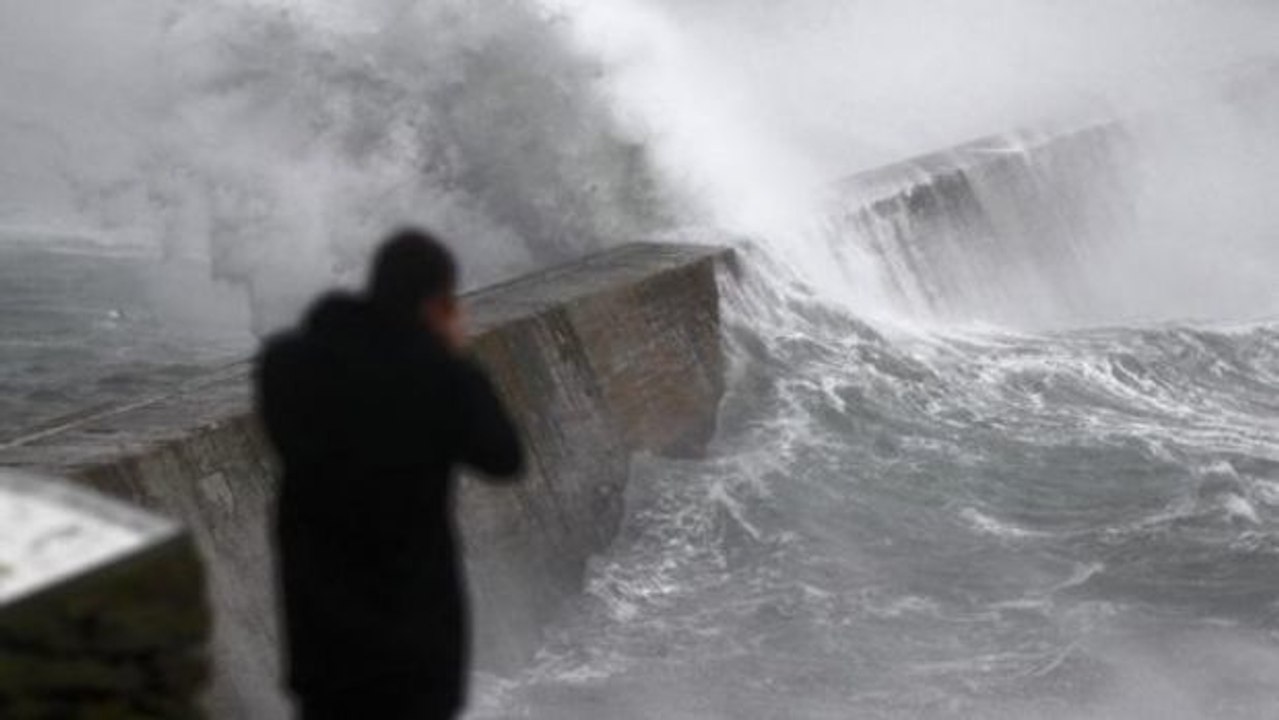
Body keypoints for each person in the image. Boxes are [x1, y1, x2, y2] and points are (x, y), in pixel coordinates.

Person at [254, 228, 524, 720]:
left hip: (322, 643)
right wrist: (454, 356)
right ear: (438, 303)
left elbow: (287, 421)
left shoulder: (287, 364)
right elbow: (504, 457)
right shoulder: (441, 378)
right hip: (414, 648)